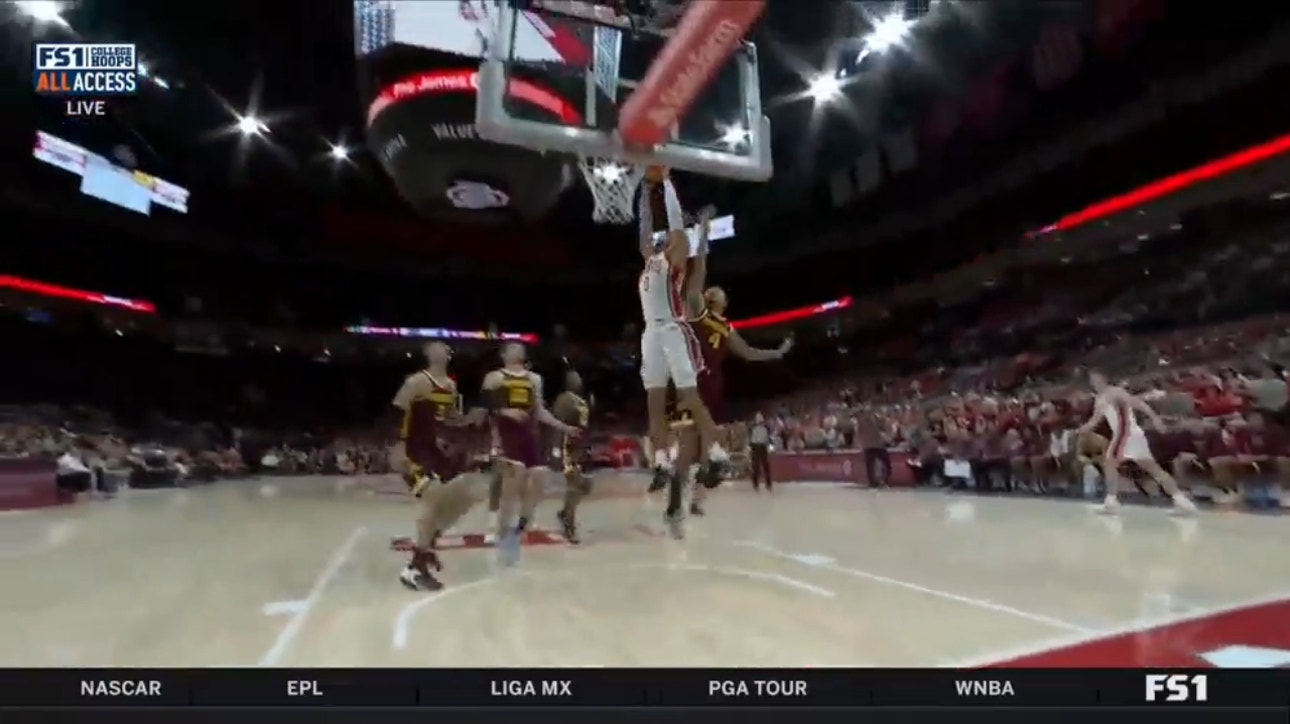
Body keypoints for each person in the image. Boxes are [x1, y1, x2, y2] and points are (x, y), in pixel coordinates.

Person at [669, 205, 791, 514]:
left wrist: (777, 352)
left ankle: (696, 500)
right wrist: (705, 230)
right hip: (693, 380)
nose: (717, 291)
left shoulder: (726, 326)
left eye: (720, 291)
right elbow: (700, 271)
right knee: (692, 446)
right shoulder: (698, 309)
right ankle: (676, 494)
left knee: (708, 448)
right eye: (714, 289)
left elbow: (749, 352)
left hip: (714, 385)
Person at [636, 166, 730, 528]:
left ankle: (718, 452)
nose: (660, 240)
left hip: (673, 330)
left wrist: (666, 183)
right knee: (654, 402)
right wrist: (646, 189)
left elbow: (674, 224)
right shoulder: (649, 261)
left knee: (690, 395)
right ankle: (660, 460)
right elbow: (645, 227)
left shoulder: (676, 260)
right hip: (650, 333)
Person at [389, 342, 492, 590]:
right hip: (413, 450)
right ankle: (417, 566)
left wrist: (470, 418)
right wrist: (397, 449)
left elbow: (449, 419)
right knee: (432, 494)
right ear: (429, 354)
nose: (446, 349)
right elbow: (396, 415)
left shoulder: (450, 386)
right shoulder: (416, 382)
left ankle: (425, 549)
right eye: (440, 347)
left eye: (447, 348)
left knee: (470, 493)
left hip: (433, 451)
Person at [481, 343, 580, 565]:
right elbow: (487, 406)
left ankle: (524, 518)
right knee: (501, 481)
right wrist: (502, 419)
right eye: (512, 347)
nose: (518, 350)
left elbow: (539, 410)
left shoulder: (534, 379)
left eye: (520, 347)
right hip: (505, 435)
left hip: (526, 436)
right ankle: (493, 526)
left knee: (540, 475)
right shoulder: (495, 378)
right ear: (503, 354)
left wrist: (563, 426)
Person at [1073, 370, 1197, 515]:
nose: (1092, 381)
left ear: (1104, 378)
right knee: (1153, 469)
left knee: (1109, 463)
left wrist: (1154, 418)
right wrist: (1079, 430)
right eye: (1091, 379)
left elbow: (1137, 403)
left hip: (1125, 433)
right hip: (1131, 436)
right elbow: (1094, 421)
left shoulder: (1115, 392)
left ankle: (1111, 501)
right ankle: (1182, 501)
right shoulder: (1099, 398)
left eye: (1095, 378)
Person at [550, 369, 593, 544]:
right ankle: (570, 525)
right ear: (569, 381)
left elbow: (584, 427)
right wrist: (555, 448)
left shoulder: (581, 400)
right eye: (575, 377)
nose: (579, 380)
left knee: (586, 485)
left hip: (579, 447)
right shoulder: (564, 400)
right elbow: (557, 425)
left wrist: (587, 447)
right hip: (567, 447)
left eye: (579, 376)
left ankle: (564, 512)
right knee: (574, 486)